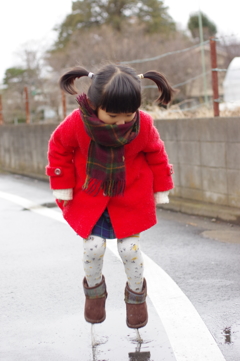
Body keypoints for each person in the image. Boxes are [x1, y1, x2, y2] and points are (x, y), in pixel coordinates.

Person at [46, 63, 174, 329]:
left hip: (129, 199)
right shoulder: (78, 123)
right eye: (113, 115)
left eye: (129, 114)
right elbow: (59, 147)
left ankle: (136, 297)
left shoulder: (143, 125)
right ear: (95, 104)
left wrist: (162, 187)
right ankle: (94, 293)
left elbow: (157, 155)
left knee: (130, 249)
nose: (122, 122)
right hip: (91, 198)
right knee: (93, 247)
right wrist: (63, 184)